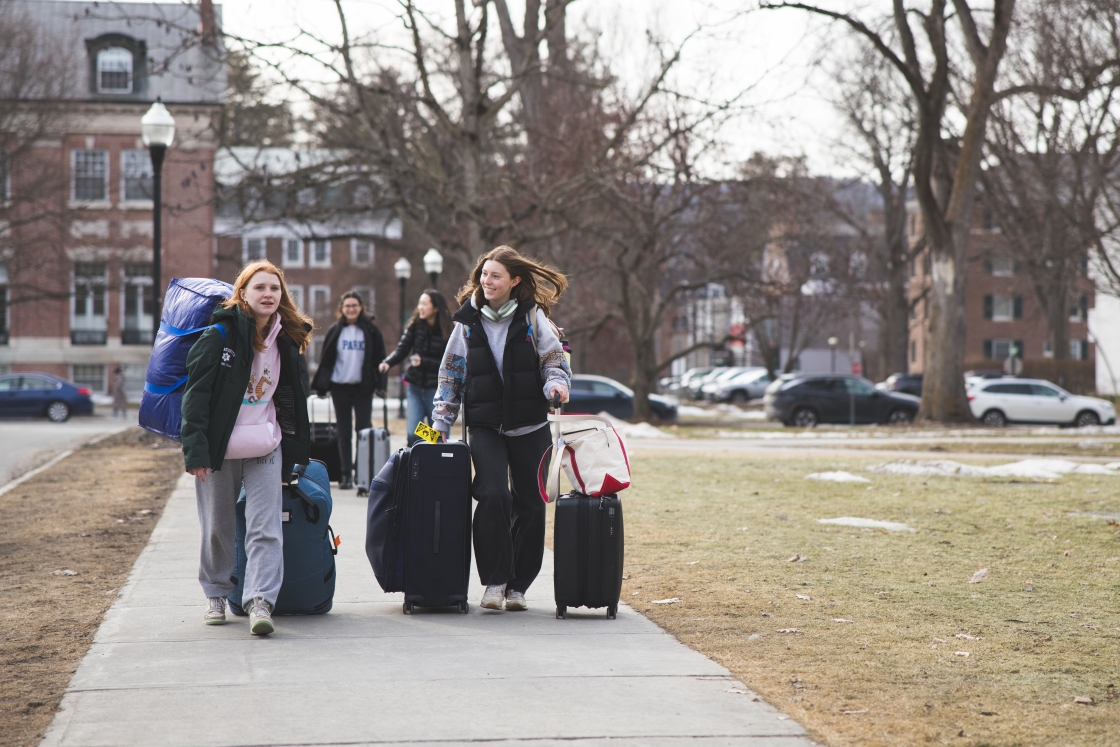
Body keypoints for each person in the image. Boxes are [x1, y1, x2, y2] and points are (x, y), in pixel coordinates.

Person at [432, 245, 571, 612]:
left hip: (530, 425)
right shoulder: (467, 322)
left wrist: (555, 385)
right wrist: (438, 424)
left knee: (530, 504)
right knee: (494, 495)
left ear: (514, 281)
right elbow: (451, 374)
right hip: (485, 424)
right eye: (484, 275)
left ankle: (518, 587)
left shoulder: (533, 319)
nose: (487, 281)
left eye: (495, 276)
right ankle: (494, 580)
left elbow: (554, 361)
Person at [180, 260, 313, 636]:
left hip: (266, 445)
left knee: (265, 527)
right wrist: (196, 452)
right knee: (218, 527)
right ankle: (217, 595)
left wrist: (296, 447)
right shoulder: (219, 336)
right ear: (242, 294)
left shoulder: (286, 339)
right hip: (220, 449)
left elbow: (292, 398)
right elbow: (195, 397)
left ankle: (259, 601)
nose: (268, 294)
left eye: (274, 288)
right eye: (260, 288)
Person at [311, 291, 387, 489]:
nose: (351, 309)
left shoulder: (371, 330)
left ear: (361, 307)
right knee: (344, 433)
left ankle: (363, 474)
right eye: (347, 306)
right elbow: (326, 359)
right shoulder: (336, 330)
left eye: (355, 305)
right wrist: (321, 386)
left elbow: (381, 359)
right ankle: (345, 474)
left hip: (363, 387)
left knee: (363, 429)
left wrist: (381, 385)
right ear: (342, 309)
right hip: (340, 387)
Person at [379, 290, 452, 445]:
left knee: (441, 436)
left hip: (437, 391)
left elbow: (450, 363)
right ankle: (420, 458)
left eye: (424, 304)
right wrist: (388, 362)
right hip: (415, 388)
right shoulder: (415, 325)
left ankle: (435, 459)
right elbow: (402, 349)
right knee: (413, 432)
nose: (420, 307)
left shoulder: (448, 330)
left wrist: (424, 361)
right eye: (419, 304)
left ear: (436, 308)